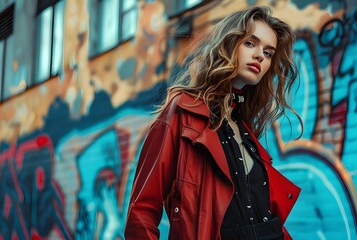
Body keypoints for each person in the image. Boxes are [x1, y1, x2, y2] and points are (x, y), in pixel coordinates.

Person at [125, 6, 301, 240]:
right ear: (228, 44)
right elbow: (141, 213)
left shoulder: (243, 127)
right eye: (250, 43)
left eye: (268, 53)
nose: (260, 55)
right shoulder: (182, 111)